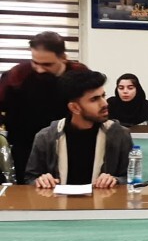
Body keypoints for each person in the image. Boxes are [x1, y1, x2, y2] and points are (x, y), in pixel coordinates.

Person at [0, 31, 88, 184]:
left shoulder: (80, 75)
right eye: (35, 62)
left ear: (63, 58)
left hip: (72, 147)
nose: (39, 69)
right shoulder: (17, 75)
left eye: (47, 64)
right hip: (27, 149)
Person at [24, 70, 133, 188]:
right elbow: (30, 179)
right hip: (58, 199)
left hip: (103, 200)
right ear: (75, 108)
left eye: (103, 96)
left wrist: (116, 181)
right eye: (94, 99)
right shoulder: (46, 137)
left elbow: (131, 179)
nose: (104, 103)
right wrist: (40, 181)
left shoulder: (120, 135)